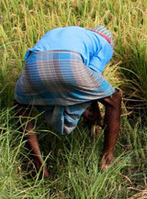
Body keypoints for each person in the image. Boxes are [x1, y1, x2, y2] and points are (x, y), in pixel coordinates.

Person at [14, 26, 121, 176]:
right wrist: (94, 113)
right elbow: (93, 80)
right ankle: (108, 158)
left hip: (34, 65)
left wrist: (86, 113)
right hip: (70, 63)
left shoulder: (68, 33)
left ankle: (38, 165)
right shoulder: (105, 43)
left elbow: (54, 76)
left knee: (21, 105)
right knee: (114, 99)